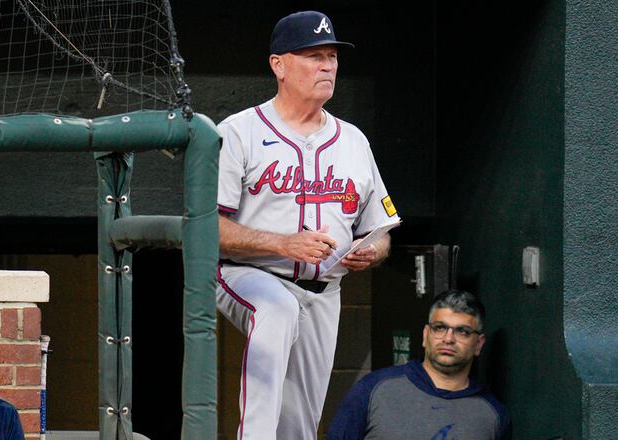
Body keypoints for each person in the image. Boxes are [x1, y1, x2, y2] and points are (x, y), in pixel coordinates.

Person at [216, 10, 400, 439]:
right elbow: (206, 227)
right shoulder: (238, 133)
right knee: (276, 311)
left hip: (324, 292)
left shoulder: (353, 141)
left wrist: (374, 250)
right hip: (249, 273)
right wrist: (284, 244)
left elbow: (383, 228)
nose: (327, 66)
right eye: (313, 56)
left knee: (301, 422)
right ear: (278, 65)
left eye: (332, 57)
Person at [327, 290, 511, 439]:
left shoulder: (492, 415)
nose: (448, 338)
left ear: (478, 344)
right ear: (425, 335)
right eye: (440, 327)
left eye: (462, 331)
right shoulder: (373, 390)